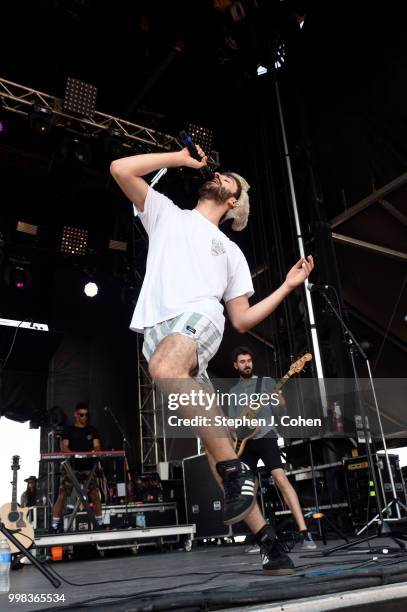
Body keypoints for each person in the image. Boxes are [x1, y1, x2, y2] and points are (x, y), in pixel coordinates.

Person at [110, 145, 314, 574]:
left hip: (200, 318)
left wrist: (286, 287)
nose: (220, 178)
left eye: (229, 181)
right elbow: (120, 168)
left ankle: (237, 472)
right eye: (221, 175)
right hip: (158, 331)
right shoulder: (166, 214)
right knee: (215, 449)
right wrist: (181, 159)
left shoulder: (230, 251)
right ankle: (270, 543)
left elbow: (241, 318)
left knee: (165, 371)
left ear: (233, 201)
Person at [228, 346, 317, 551]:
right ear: (236, 365)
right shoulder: (233, 392)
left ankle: (305, 533)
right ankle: (261, 536)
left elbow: (281, 409)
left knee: (280, 478)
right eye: (242, 361)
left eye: (249, 360)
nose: (247, 364)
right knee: (248, 488)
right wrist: (234, 438)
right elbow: (233, 424)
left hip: (266, 435)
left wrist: (279, 401)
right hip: (245, 443)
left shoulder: (266, 382)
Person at [51, 402, 103, 531]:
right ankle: (54, 524)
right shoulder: (69, 430)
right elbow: (64, 447)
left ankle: (100, 523)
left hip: (87, 468)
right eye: (81, 414)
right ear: (75, 415)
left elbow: (97, 446)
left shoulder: (92, 430)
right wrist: (75, 454)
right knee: (62, 494)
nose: (84, 417)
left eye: (86, 414)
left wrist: (95, 451)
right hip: (72, 467)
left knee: (95, 494)